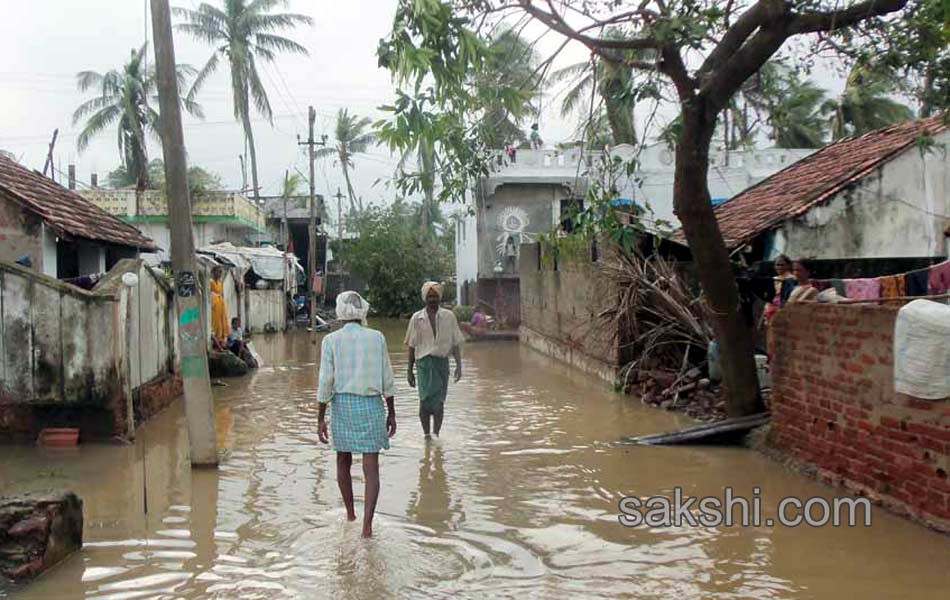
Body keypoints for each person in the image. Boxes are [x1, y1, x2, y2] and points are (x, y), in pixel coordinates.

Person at [317, 291, 396, 538]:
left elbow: (325, 381)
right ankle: (367, 526)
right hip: (372, 405)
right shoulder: (377, 338)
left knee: (343, 460)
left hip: (342, 405)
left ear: (340, 312)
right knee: (371, 467)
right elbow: (387, 377)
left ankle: (350, 513)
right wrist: (391, 412)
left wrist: (320, 416)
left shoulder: (330, 341)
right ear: (363, 310)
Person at [405, 282, 463, 439]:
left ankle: (436, 434)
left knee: (439, 403)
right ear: (425, 298)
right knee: (424, 401)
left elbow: (455, 342)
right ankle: (426, 435)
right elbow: (411, 345)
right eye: (429, 296)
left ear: (439, 298)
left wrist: (459, 365)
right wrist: (409, 371)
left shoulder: (449, 316)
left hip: (441, 364)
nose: (432, 299)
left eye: (435, 296)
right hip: (423, 364)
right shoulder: (417, 318)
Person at [763, 255, 795, 323]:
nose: (779, 267)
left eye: (782, 265)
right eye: (777, 265)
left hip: (783, 312)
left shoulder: (792, 279)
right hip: (770, 312)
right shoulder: (774, 279)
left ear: (788, 266)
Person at [210, 266, 229, 346]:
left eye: (221, 272)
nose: (220, 274)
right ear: (213, 272)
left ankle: (221, 338)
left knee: (222, 321)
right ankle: (216, 339)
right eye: (218, 272)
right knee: (215, 322)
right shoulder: (210, 282)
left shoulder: (220, 283)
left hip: (220, 303)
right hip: (214, 304)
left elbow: (220, 294)